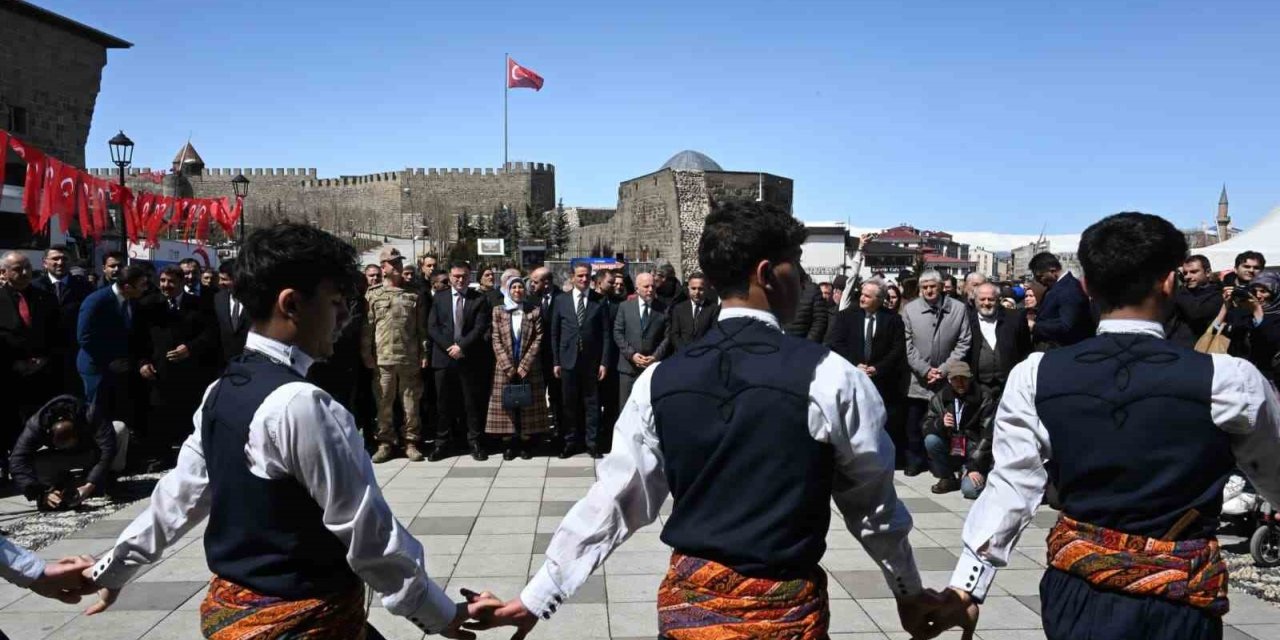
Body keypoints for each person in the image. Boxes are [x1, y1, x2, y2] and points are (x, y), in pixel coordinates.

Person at [472, 199, 963, 640]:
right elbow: (873, 509)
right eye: (798, 269)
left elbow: (616, 501)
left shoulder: (660, 381)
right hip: (784, 618)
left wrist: (537, 597)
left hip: (690, 616)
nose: (804, 283)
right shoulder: (831, 379)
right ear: (768, 273)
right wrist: (908, 591)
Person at [80, 222, 498, 637]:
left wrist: (113, 568)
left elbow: (178, 497)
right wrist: (440, 613)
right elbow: (368, 535)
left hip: (235, 615)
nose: (343, 317)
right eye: (335, 302)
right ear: (292, 304)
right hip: (303, 619)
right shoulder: (302, 405)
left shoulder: (221, 390)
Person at [945, 212, 1280, 640]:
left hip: (1079, 594)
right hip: (1176, 601)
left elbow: (1012, 486)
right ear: (1169, 283)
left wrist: (967, 589)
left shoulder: (1036, 374)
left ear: (1087, 286)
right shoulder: (1231, 379)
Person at [133, 265, 216, 470]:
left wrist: (190, 348)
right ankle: (162, 455)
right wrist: (143, 362)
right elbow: (137, 339)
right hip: (158, 372)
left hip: (189, 372)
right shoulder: (148, 306)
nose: (165, 285)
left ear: (181, 282)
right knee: (159, 415)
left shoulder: (198, 305)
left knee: (187, 414)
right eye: (162, 281)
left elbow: (210, 335)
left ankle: (189, 457)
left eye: (170, 281)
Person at [829, 280, 908, 467]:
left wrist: (878, 368)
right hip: (852, 378)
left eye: (867, 296)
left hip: (881, 380)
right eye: (862, 294)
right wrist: (854, 365)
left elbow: (897, 350)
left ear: (879, 300)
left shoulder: (893, 319)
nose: (862, 298)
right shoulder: (846, 316)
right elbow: (835, 343)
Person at [901, 270, 971, 476]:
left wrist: (942, 370)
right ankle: (915, 460)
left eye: (933, 286)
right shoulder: (910, 309)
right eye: (924, 287)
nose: (929, 290)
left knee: (946, 423)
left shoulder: (958, 309)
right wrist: (924, 370)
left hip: (946, 379)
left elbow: (963, 341)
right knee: (914, 424)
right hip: (918, 379)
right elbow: (906, 344)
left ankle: (941, 463)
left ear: (940, 287)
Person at [363, 248, 428, 463]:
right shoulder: (373, 295)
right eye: (393, 263)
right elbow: (368, 328)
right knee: (383, 403)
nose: (398, 266)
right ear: (383, 267)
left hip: (409, 357)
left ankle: (411, 442)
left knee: (411, 403)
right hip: (383, 359)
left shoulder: (413, 294)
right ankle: (385, 442)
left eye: (399, 262)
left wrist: (423, 352)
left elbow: (421, 329)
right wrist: (367, 354)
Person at [9, 394, 127, 511]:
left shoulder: (91, 413)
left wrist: (91, 484)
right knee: (37, 461)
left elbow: (108, 449)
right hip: (62, 458)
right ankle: (57, 488)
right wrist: (39, 493)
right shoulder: (36, 425)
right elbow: (17, 461)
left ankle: (108, 477)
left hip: (92, 451)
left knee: (119, 428)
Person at [427, 261, 492, 461]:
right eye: (456, 276)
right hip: (443, 358)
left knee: (471, 403)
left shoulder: (479, 299)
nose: (460, 280)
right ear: (450, 275)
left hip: (469, 357)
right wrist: (450, 348)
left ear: (469, 276)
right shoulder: (439, 297)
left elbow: (479, 327)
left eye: (463, 276)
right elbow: (433, 327)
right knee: (443, 403)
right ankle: (442, 443)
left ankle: (474, 442)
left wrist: (461, 347)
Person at [549, 263, 615, 459]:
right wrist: (556, 361)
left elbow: (605, 334)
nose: (584, 279)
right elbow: (554, 333)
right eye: (580, 276)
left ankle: (591, 443)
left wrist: (604, 362)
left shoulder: (599, 301)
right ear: (572, 277)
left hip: (591, 363)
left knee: (592, 404)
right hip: (567, 361)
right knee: (568, 404)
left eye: (587, 276)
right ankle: (570, 442)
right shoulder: (561, 300)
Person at [0, 252, 59, 467]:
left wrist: (44, 359)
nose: (24, 273)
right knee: (9, 424)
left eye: (27, 267)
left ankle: (32, 463)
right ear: (4, 273)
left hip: (42, 373)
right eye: (17, 269)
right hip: (9, 375)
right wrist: (15, 363)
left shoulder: (44, 297)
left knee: (37, 423)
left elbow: (57, 333)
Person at [485, 276, 550, 460]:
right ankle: (509, 445)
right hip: (504, 366)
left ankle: (525, 445)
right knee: (507, 407)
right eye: (513, 287)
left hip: (528, 367)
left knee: (527, 406)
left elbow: (538, 339)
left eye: (520, 287)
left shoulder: (534, 311)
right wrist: (507, 365)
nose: (517, 290)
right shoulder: (498, 311)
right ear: (507, 289)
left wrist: (524, 365)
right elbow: (495, 339)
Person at [76, 265, 147, 405]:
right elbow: (84, 337)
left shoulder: (132, 301)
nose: (145, 288)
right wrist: (110, 361)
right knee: (95, 412)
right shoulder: (97, 301)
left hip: (120, 368)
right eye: (142, 285)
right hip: (96, 367)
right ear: (127, 287)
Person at [921, 362, 995, 497]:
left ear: (971, 378)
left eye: (964, 378)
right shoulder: (940, 397)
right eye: (955, 379)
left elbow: (988, 436)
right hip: (952, 447)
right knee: (931, 440)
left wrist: (974, 467)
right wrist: (940, 424)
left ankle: (977, 474)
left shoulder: (984, 397)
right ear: (949, 380)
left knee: (970, 490)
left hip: (975, 452)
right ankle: (948, 477)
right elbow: (926, 425)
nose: (960, 383)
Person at [31, 245, 93, 398]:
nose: (60, 262)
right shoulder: (34, 287)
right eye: (55, 259)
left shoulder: (84, 287)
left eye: (64, 259)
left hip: (73, 355)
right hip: (43, 357)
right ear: (45, 263)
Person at [613, 272, 671, 411]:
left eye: (653, 286)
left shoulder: (664, 309)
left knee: (648, 409)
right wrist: (632, 355)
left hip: (651, 368)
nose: (650, 290)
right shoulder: (625, 307)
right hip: (628, 368)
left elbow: (667, 336)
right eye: (646, 286)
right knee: (626, 409)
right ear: (637, 288)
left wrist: (655, 357)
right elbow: (618, 332)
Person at [964, 282, 1031, 396]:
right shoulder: (966, 320)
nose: (986, 303)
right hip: (977, 387)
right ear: (975, 300)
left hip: (1009, 385)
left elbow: (1025, 350)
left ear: (999, 299)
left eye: (991, 299)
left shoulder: (1015, 318)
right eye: (982, 299)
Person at [1029, 252, 1095, 348]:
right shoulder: (1055, 287)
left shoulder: (1070, 289)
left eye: (1040, 277)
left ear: (1053, 271)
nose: (1039, 281)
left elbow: (1066, 326)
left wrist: (1035, 327)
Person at [531, 266, 565, 434]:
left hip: (556, 357)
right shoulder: (531, 300)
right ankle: (538, 432)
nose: (531, 285)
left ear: (546, 282)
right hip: (536, 357)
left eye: (535, 282)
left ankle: (559, 431)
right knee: (536, 396)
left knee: (557, 396)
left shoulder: (563, 299)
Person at [1167, 254, 1223, 348]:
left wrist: (1179, 289)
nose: (1187, 277)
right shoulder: (1182, 293)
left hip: (1200, 349)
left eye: (1194, 272)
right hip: (1174, 348)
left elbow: (1196, 313)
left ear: (1208, 272)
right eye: (1185, 273)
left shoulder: (1218, 295)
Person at [593, 269, 622, 439]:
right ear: (599, 282)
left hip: (612, 358)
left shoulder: (617, 303)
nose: (614, 286)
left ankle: (608, 434)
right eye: (610, 282)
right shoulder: (589, 301)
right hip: (591, 358)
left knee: (611, 401)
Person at [666, 271, 719, 352]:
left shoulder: (713, 309)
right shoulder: (679, 308)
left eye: (700, 289)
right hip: (682, 355)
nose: (696, 292)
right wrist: (684, 350)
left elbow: (714, 333)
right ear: (688, 288)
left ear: (706, 289)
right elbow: (674, 334)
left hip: (704, 354)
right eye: (693, 288)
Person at [212, 260, 250, 369]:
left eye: (224, 279)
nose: (220, 283)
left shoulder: (255, 300)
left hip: (249, 362)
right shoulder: (217, 298)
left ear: (237, 279)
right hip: (223, 364)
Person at [784, 276, 828, 342]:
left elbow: (820, 321)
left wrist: (807, 344)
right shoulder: (776, 287)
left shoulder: (812, 290)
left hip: (801, 343)